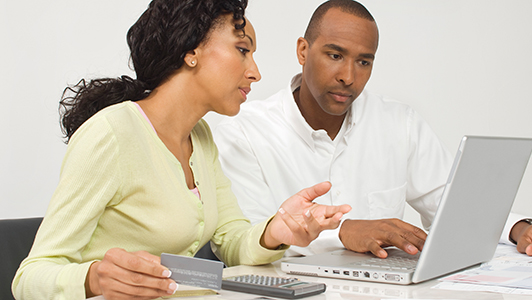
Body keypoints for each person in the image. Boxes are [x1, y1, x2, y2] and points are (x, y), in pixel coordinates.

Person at [12, 1, 352, 299]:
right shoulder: (112, 134)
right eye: (242, 50)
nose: (256, 72)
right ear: (191, 51)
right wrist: (95, 278)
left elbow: (230, 240)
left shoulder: (200, 136)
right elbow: (30, 278)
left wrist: (278, 230)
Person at [213, 0, 532, 258]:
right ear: (303, 50)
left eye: (364, 61)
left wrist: (523, 229)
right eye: (334, 55)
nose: (348, 76)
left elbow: (451, 205)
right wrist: (343, 233)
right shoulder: (243, 133)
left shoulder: (398, 123)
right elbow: (247, 241)